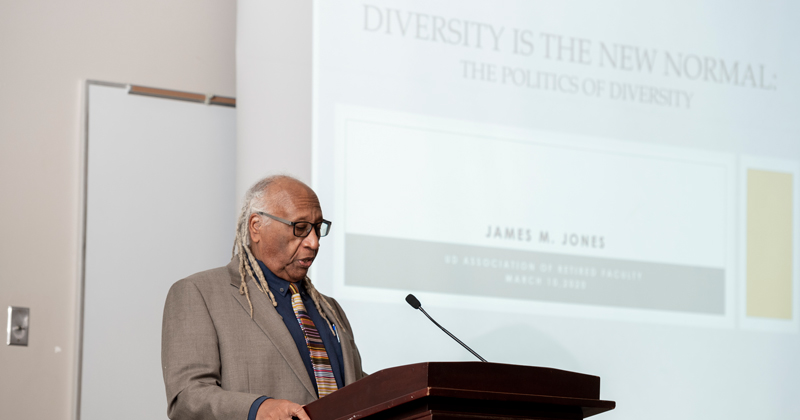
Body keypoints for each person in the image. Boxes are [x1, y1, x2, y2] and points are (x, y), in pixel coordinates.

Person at [162, 175, 366, 420]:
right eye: (300, 228)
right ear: (256, 226)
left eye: (317, 228)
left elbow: (357, 391)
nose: (314, 242)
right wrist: (256, 408)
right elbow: (187, 398)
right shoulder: (199, 293)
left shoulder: (330, 309)